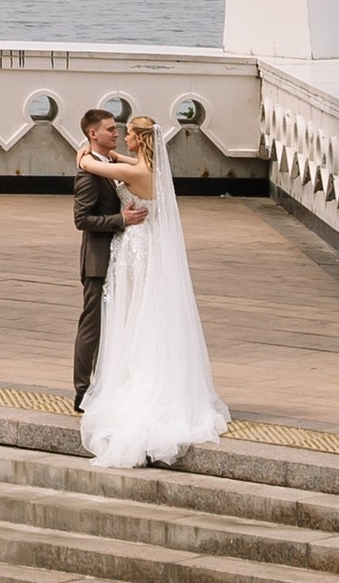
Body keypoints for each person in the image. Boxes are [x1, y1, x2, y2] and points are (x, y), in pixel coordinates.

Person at [74, 103, 229, 466]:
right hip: (142, 248)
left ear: (139, 140)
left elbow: (97, 166)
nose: (120, 138)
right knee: (143, 313)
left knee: (134, 314)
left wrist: (85, 157)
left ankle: (130, 384)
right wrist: (96, 154)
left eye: (125, 133)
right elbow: (114, 163)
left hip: (136, 249)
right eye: (115, 131)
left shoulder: (137, 173)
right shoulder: (150, 169)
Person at [70, 105, 145, 409]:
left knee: (114, 325)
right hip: (98, 261)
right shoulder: (87, 174)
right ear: (93, 133)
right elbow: (81, 220)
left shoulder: (103, 162)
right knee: (92, 326)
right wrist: (121, 220)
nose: (117, 133)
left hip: (119, 259)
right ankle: (82, 391)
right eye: (111, 129)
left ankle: (105, 384)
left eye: (118, 129)